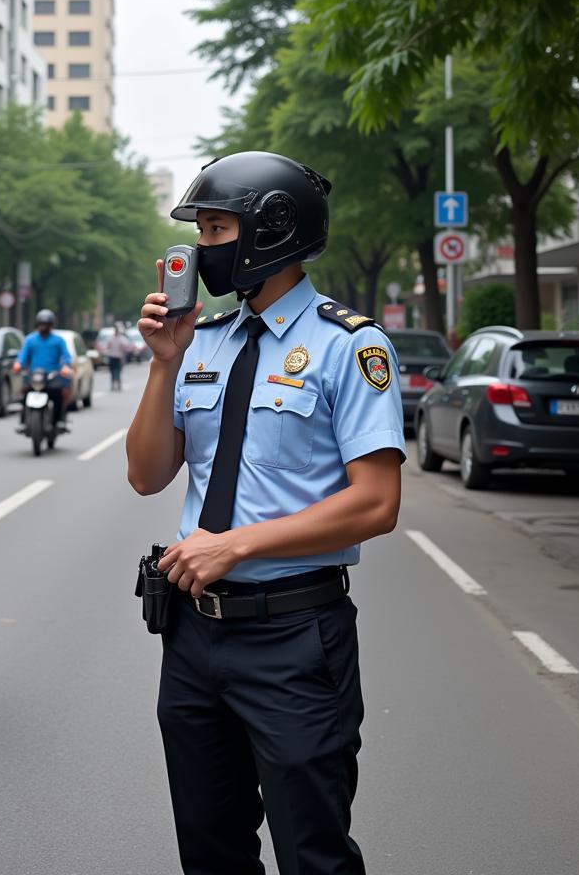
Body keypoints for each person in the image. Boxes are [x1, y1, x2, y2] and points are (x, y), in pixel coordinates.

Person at [126, 151, 405, 875]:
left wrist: (237, 546)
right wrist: (163, 363)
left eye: (216, 228)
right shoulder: (201, 343)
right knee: (210, 853)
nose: (201, 249)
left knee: (313, 854)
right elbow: (147, 474)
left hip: (294, 640)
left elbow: (376, 502)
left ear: (270, 231)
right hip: (191, 637)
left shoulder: (350, 345)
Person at [13, 309, 73, 432]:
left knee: (57, 395)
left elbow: (66, 356)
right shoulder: (30, 340)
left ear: (51, 325)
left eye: (45, 324)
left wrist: (66, 366)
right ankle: (23, 421)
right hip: (34, 376)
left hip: (52, 376)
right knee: (24, 394)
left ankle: (58, 421)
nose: (43, 327)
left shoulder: (58, 340)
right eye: (41, 324)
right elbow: (23, 356)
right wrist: (18, 364)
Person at [103, 324, 130, 391]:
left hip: (115, 357)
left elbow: (107, 346)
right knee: (115, 371)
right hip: (116, 357)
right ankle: (116, 384)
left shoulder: (114, 339)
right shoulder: (120, 339)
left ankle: (115, 384)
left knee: (115, 371)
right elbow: (125, 347)